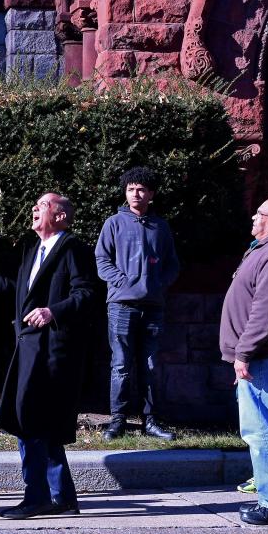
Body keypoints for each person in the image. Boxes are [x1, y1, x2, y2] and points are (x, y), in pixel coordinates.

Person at [0, 193, 97, 519]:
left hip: (51, 352)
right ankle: (62, 496)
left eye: (44, 205)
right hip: (28, 349)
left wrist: (53, 311)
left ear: (61, 217)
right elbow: (10, 286)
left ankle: (36, 497)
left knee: (30, 419)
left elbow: (87, 293)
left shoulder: (72, 248)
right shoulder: (34, 252)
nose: (35, 208)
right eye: (35, 204)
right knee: (39, 421)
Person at [220, 197, 268, 526]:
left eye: (261, 214)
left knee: (263, 431)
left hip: (261, 359)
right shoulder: (265, 249)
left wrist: (244, 353)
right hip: (258, 358)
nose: (254, 217)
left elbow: (264, 312)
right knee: (258, 429)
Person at [95, 166, 179, 441]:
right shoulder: (114, 223)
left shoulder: (161, 227)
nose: (135, 193)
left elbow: (171, 264)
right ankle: (117, 421)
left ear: (151, 194)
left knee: (150, 365)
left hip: (153, 306)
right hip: (121, 305)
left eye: (141, 189)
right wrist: (121, 282)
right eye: (131, 189)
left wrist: (158, 284)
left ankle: (150, 421)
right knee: (120, 364)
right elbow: (102, 260)